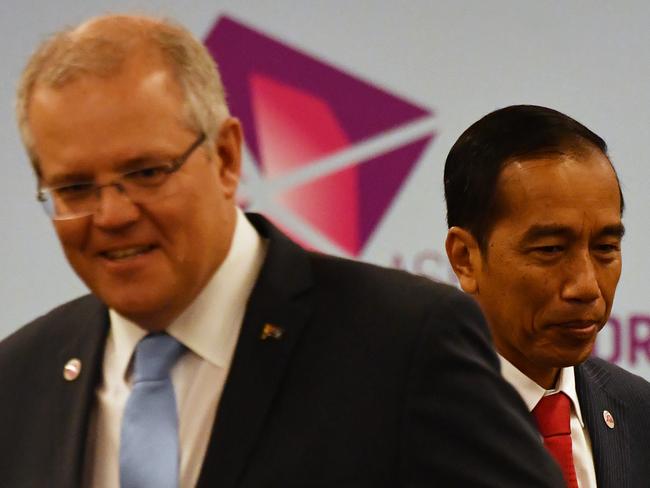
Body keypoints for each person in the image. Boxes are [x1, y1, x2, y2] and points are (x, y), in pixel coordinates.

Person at [0, 15, 563, 487]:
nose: (113, 214)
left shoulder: (405, 342)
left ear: (225, 158)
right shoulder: (20, 377)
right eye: (75, 189)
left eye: (146, 172)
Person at [444, 104, 650, 488]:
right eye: (551, 250)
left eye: (605, 248)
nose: (587, 286)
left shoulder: (639, 413)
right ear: (465, 258)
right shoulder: (393, 426)